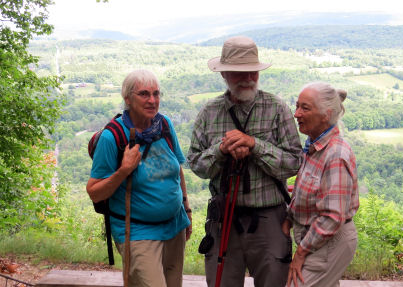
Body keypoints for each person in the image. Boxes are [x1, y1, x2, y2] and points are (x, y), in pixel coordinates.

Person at [187, 36, 302, 287]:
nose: (248, 77)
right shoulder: (210, 112)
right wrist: (220, 150)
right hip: (223, 218)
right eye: (239, 73)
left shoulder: (276, 108)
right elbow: (195, 163)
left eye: (252, 71)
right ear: (224, 74)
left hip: (270, 218)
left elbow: (295, 162)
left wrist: (254, 145)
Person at [86, 69, 192, 287]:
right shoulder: (112, 137)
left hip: (175, 226)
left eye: (156, 94)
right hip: (137, 231)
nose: (152, 100)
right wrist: (124, 170)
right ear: (127, 98)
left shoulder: (163, 125)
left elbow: (177, 169)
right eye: (144, 94)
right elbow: (94, 191)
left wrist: (186, 208)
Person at [283, 82, 359, 287]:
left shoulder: (335, 155)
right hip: (316, 241)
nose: (296, 113)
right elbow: (304, 192)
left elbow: (332, 217)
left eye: (305, 108)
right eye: (297, 106)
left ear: (326, 114)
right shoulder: (314, 147)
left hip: (329, 243)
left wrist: (300, 254)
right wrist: (289, 219)